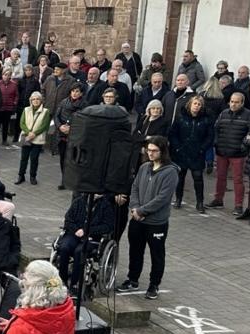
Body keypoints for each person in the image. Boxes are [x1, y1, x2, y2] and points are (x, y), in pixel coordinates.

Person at [117, 137, 179, 299]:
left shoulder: (171, 172)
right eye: (148, 150)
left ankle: (154, 284)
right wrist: (135, 208)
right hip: (137, 220)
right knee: (135, 251)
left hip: (156, 223)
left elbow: (163, 198)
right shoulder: (144, 167)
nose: (150, 153)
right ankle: (132, 279)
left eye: (154, 151)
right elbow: (135, 187)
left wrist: (142, 211)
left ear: (162, 151)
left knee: (157, 254)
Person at [54, 194, 115, 290]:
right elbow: (68, 220)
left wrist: (87, 231)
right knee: (64, 247)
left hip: (92, 237)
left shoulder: (106, 206)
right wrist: (77, 230)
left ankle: (74, 283)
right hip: (74, 234)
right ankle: (62, 279)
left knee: (80, 251)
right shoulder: (79, 202)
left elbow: (108, 226)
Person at [210, 92, 250, 215]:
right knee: (220, 177)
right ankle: (218, 199)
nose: (233, 104)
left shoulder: (249, 115)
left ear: (242, 103)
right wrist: (216, 142)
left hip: (238, 153)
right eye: (232, 101)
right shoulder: (224, 113)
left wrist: (244, 146)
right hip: (222, 150)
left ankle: (238, 205)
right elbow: (216, 128)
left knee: (238, 180)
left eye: (236, 102)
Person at [168, 95, 214, 212]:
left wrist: (202, 149)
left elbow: (210, 136)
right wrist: (177, 147)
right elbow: (173, 133)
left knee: (198, 177)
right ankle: (178, 199)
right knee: (180, 177)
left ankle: (200, 202)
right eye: (195, 104)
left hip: (197, 152)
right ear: (190, 104)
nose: (196, 106)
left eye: (199, 104)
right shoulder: (181, 117)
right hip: (181, 151)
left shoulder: (206, 119)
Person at [17, 91, 51, 185]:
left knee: (34, 158)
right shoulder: (26, 109)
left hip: (38, 139)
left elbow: (45, 125)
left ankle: (33, 176)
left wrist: (34, 133)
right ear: (31, 100)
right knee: (23, 158)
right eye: (33, 99)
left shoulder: (45, 111)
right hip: (26, 137)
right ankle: (21, 176)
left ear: (41, 100)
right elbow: (22, 123)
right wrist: (29, 133)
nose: (35, 101)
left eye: (37, 99)